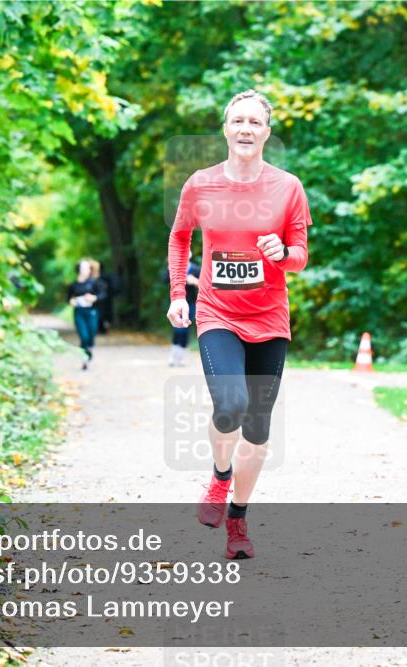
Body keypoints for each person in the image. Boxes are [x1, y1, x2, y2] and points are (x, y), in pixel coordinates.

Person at [166, 89, 313, 559]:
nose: (246, 128)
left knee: (258, 428)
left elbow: (301, 257)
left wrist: (283, 254)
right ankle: (219, 476)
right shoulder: (201, 184)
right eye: (238, 121)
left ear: (266, 132)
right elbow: (179, 238)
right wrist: (176, 295)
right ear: (226, 129)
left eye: (255, 122)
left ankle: (238, 521)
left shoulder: (288, 187)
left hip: (269, 317)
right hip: (216, 312)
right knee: (230, 404)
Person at [67, 258, 105, 370]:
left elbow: (103, 295)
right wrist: (72, 301)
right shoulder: (73, 285)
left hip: (92, 311)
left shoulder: (95, 282)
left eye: (87, 268)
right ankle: (85, 357)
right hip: (79, 312)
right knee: (83, 336)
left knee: (91, 334)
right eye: (83, 268)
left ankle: (89, 349)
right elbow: (68, 298)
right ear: (79, 269)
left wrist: (94, 298)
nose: (85, 270)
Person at [167, 259, 201, 367]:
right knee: (176, 328)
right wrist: (169, 271)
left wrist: (195, 281)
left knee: (185, 328)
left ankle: (181, 356)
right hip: (176, 303)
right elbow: (164, 279)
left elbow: (206, 286)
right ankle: (173, 354)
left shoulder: (195, 269)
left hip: (190, 303)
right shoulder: (175, 267)